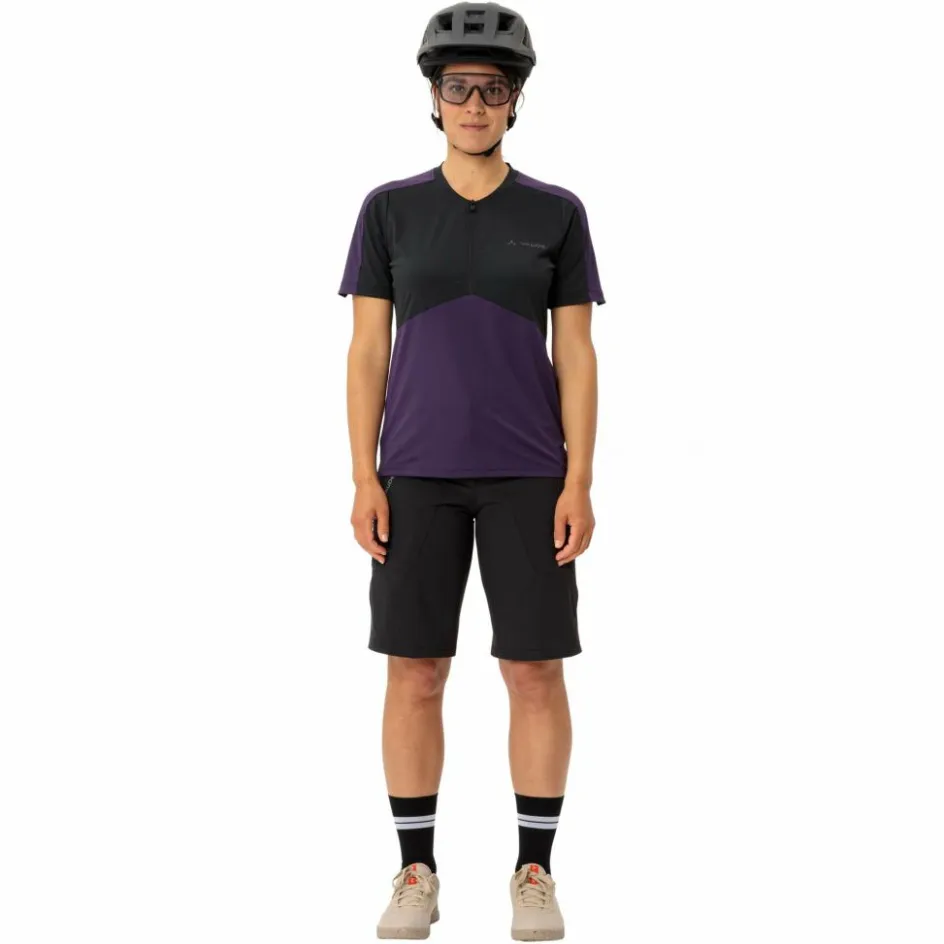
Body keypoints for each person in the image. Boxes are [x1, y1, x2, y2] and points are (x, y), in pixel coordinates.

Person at [338, 3, 605, 939]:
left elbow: (576, 355)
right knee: (415, 670)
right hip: (414, 474)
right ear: (434, 97)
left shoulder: (557, 213)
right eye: (459, 88)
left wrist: (579, 480)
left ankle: (535, 870)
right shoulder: (389, 210)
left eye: (493, 89)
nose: (476, 104)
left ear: (516, 100)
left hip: (531, 475)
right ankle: (416, 870)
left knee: (534, 670)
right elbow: (367, 352)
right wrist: (364, 476)